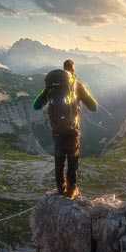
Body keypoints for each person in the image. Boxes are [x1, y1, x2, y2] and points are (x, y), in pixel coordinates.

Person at [33, 59, 98, 198]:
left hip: (57, 131)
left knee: (59, 161)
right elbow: (93, 107)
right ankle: (71, 192)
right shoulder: (77, 85)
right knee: (73, 161)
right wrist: (83, 95)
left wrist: (47, 91)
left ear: (63, 70)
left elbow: (36, 105)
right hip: (73, 130)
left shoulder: (51, 87)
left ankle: (60, 190)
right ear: (73, 71)